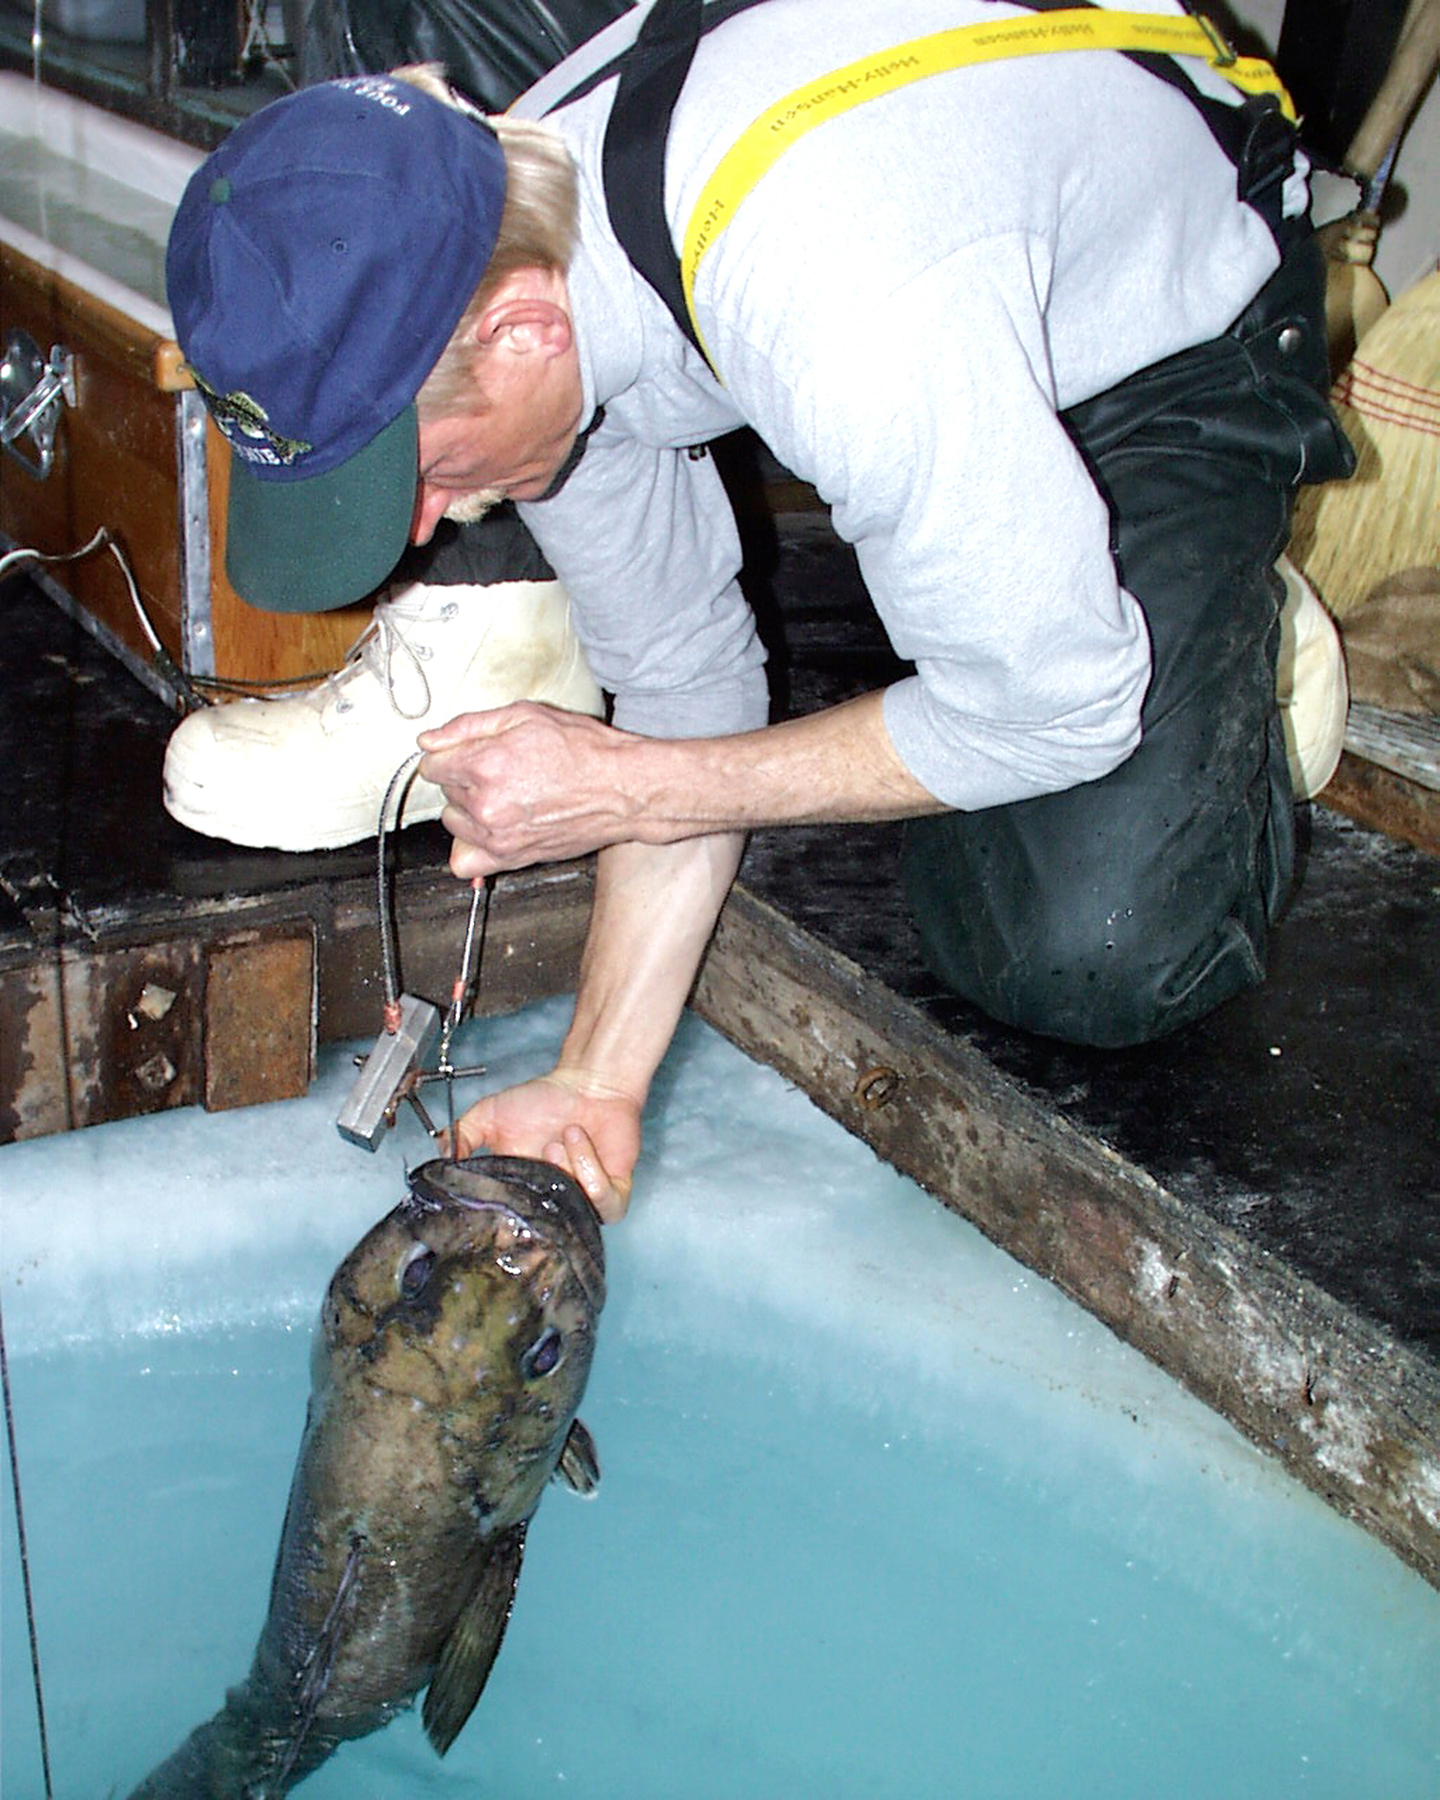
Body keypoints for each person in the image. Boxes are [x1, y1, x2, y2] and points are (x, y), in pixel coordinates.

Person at [164, 0, 1353, 1222]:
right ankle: (1042, 579)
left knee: (1081, 946)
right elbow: (685, 685)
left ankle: (1209, 628)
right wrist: (594, 1079)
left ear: (522, 331)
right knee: (946, 689)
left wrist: (634, 787)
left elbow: (1046, 717)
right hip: (933, 307)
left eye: (419, 473)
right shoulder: (510, 254)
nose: (424, 528)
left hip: (1168, 312)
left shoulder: (836, 296)